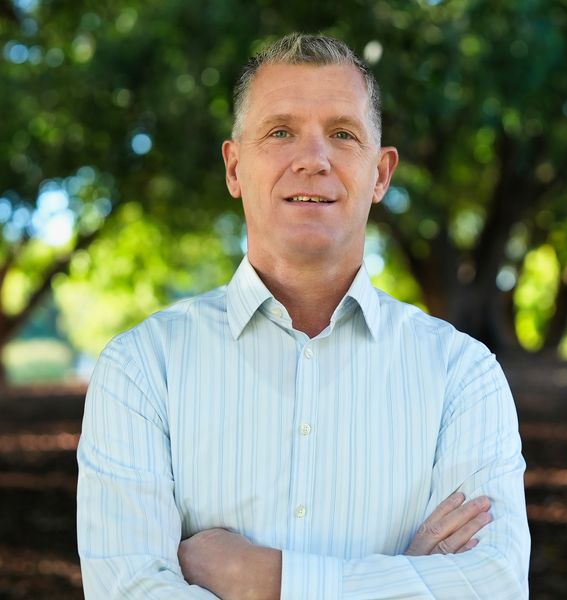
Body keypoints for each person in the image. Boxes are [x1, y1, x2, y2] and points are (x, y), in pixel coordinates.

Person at [77, 33, 530, 599]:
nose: (313, 160)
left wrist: (264, 579)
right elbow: (129, 592)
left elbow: (494, 586)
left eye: (342, 134)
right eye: (280, 132)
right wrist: (405, 580)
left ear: (381, 174)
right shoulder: (142, 369)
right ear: (234, 168)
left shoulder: (462, 374)